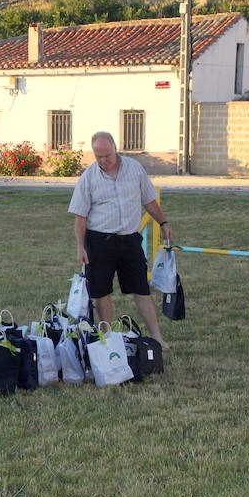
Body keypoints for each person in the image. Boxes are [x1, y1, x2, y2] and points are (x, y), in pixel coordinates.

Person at [67, 131, 173, 345]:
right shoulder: (89, 177)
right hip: (99, 242)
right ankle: (107, 339)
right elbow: (80, 217)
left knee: (141, 289)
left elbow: (149, 200)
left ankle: (157, 338)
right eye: (98, 156)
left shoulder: (134, 168)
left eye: (107, 155)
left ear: (115, 148)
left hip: (130, 241)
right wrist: (81, 248)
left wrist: (164, 222)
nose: (103, 161)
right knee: (101, 293)